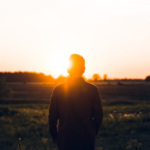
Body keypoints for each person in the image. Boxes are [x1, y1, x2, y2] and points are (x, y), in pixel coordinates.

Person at [48, 54, 103, 150]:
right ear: (83, 69)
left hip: (65, 139)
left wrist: (54, 136)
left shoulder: (58, 90)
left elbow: (52, 117)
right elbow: (98, 116)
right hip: (86, 139)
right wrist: (93, 133)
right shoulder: (93, 90)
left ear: (68, 69)